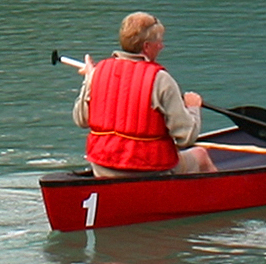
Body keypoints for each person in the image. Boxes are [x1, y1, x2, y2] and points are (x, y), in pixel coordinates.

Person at [65, 12, 213, 175]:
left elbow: (80, 120)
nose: (162, 46)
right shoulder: (161, 79)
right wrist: (193, 108)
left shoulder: (97, 73)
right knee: (201, 155)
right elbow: (186, 138)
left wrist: (88, 79)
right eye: (159, 41)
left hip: (102, 168)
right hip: (147, 170)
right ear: (147, 47)